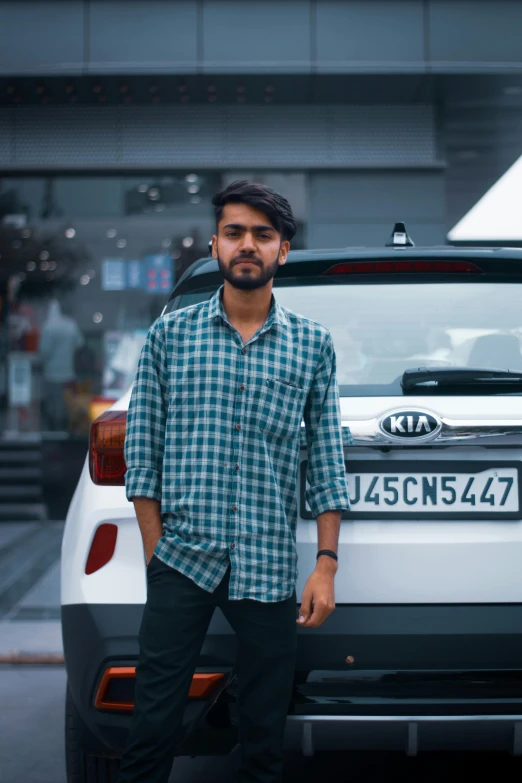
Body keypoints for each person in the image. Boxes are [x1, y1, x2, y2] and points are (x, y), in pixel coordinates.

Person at [119, 180, 351, 783]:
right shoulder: (170, 336)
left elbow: (324, 462)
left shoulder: (312, 346)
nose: (248, 244)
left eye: (263, 235)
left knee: (264, 736)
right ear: (217, 245)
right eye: (235, 232)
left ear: (283, 251)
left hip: (268, 564)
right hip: (182, 557)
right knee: (151, 726)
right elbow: (142, 450)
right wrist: (155, 553)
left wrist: (324, 564)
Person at [38, 299, 84, 431]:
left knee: (52, 405)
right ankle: (64, 431)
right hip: (68, 373)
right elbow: (79, 344)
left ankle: (54, 431)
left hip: (51, 374)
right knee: (66, 406)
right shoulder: (71, 325)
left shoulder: (47, 327)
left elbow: (43, 352)